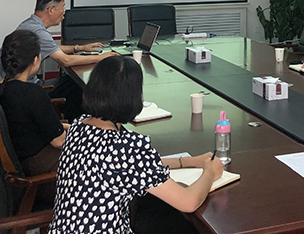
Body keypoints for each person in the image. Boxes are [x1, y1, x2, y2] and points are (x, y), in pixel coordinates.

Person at [49, 55, 224, 234]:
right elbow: (188, 202)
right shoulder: (125, 148)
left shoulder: (79, 126)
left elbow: (132, 165)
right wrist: (210, 173)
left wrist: (187, 161)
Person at [0, 0, 116, 120]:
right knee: (77, 87)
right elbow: (65, 61)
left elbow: (51, 48)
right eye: (63, 7)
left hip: (5, 87)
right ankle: (76, 123)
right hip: (22, 91)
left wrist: (79, 48)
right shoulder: (38, 32)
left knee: (70, 82)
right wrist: (100, 58)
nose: (64, 12)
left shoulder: (30, 24)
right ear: (51, 10)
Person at [0, 30, 67, 203]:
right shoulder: (33, 93)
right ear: (35, 60)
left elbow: (33, 124)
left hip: (21, 161)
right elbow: (59, 141)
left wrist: (71, 126)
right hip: (42, 175)